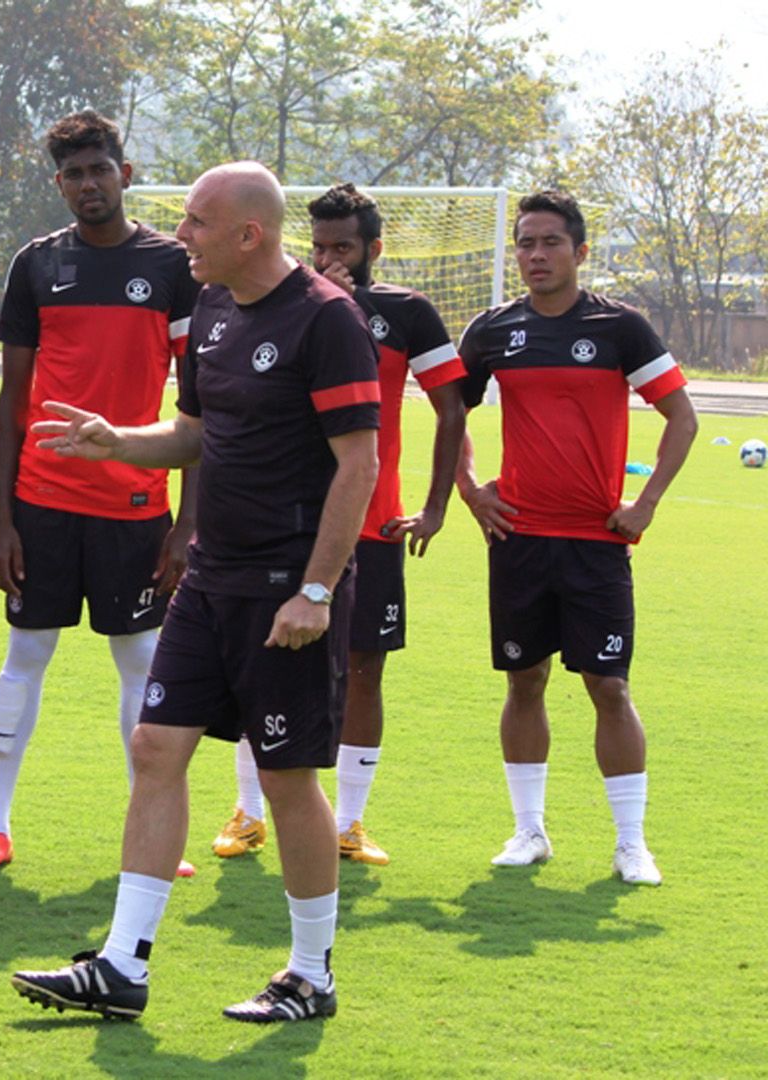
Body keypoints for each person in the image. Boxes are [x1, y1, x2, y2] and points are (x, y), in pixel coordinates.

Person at [13, 162, 379, 1023]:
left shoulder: (327, 321)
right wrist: (117, 443)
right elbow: (194, 435)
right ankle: (122, 965)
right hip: (213, 579)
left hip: (287, 592)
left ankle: (311, 975)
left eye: (196, 223)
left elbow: (358, 465)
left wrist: (317, 592)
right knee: (155, 749)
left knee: (287, 780)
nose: (181, 237)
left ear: (249, 234)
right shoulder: (210, 311)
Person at [0, 110, 199, 878]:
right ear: (58, 183)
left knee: (142, 662)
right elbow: (12, 399)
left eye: (100, 169)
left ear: (125, 174)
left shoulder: (174, 267)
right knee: (25, 653)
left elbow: (199, 407)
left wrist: (188, 522)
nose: (88, 184)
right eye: (72, 173)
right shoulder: (36, 265)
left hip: (135, 504)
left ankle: (147, 828)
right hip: (44, 500)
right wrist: (1, 517)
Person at [214, 182, 467, 866]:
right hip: (286, 525)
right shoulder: (288, 309)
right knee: (256, 662)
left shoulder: (407, 313)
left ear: (374, 248)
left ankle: (350, 821)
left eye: (344, 247)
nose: (328, 259)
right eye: (318, 246)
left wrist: (440, 504)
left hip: (374, 524)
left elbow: (452, 409)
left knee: (362, 671)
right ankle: (247, 810)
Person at [456, 190, 695, 886]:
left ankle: (631, 844)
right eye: (526, 242)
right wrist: (472, 491)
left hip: (596, 541)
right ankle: (529, 831)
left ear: (580, 252)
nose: (535, 254)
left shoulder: (620, 328)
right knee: (522, 679)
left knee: (608, 686)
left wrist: (645, 503)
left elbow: (681, 418)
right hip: (520, 539)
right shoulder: (494, 330)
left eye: (550, 242)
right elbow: (449, 413)